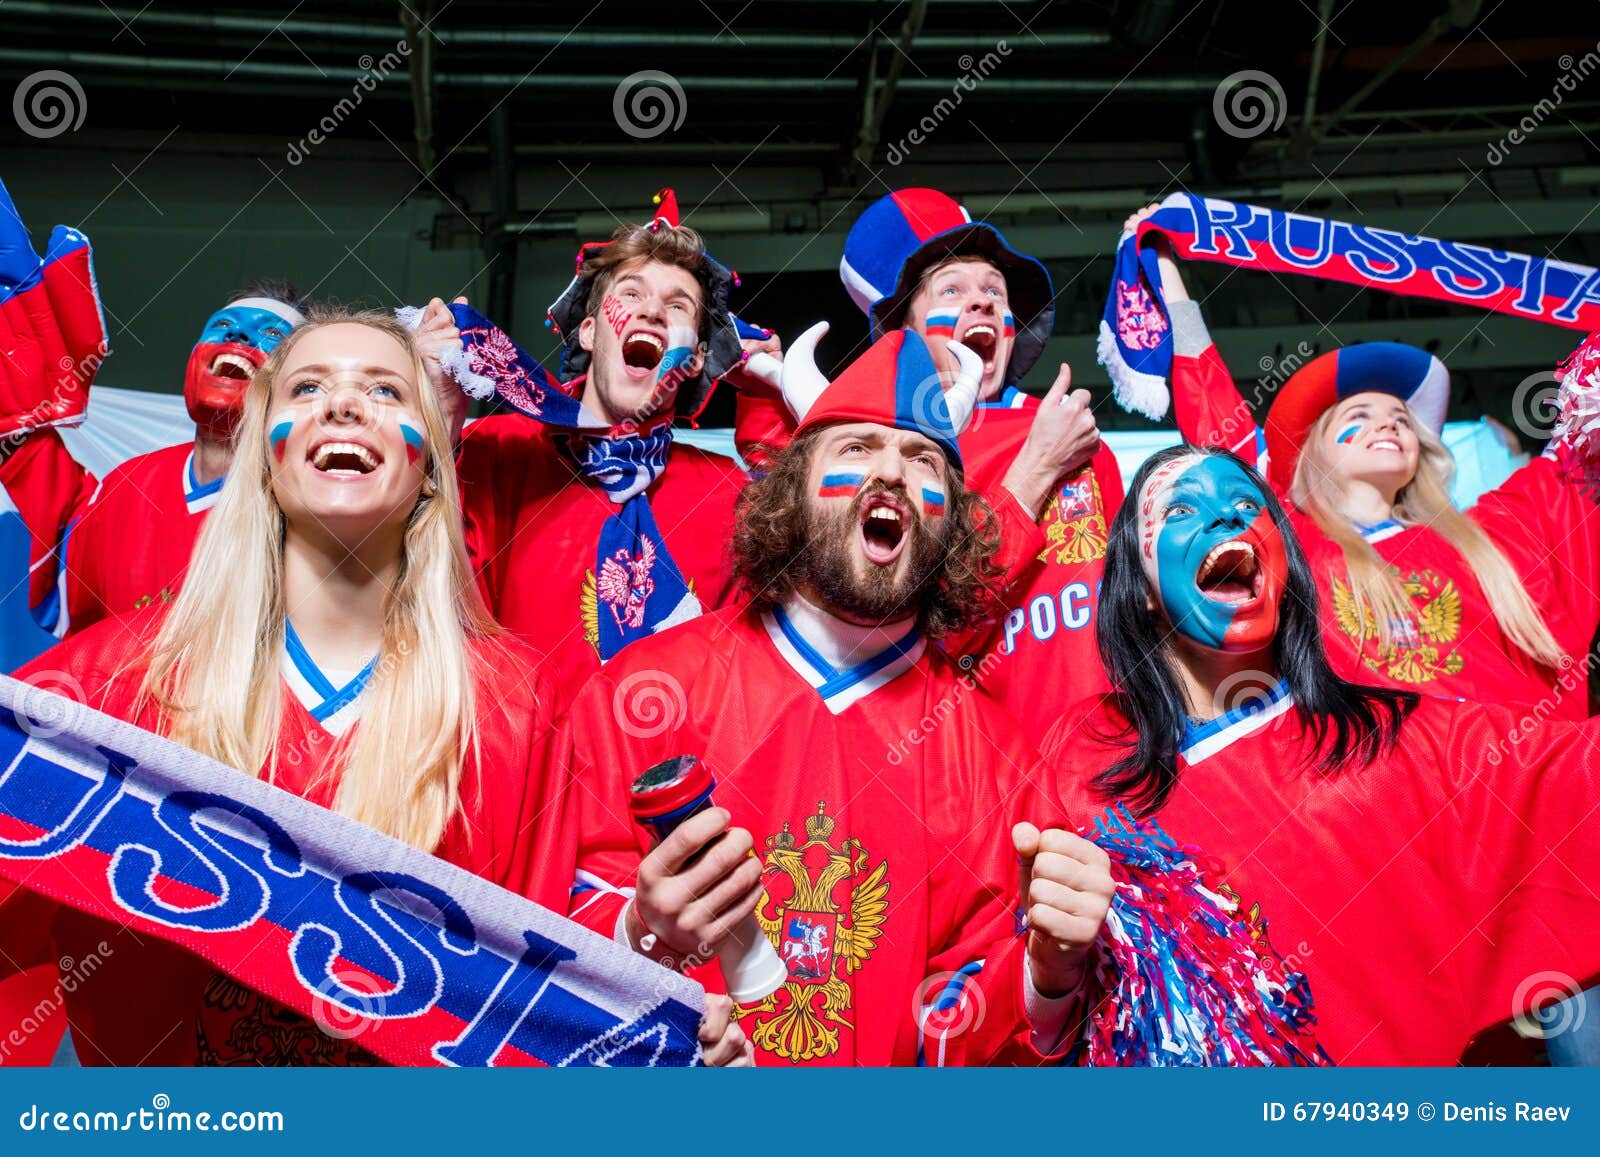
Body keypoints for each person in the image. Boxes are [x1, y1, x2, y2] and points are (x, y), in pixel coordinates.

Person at [9, 306, 748, 1066]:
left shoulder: (516, 702)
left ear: (431, 465)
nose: (343, 403)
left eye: (387, 392)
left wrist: (643, 940)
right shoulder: (119, 679)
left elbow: (553, 948)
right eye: (306, 388)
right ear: (265, 455)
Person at [561, 324, 1118, 1066]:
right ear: (789, 495)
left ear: (952, 521)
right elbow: (545, 930)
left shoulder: (1000, 766)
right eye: (856, 448)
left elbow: (982, 1040)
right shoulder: (643, 692)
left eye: (922, 461)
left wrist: (1048, 978)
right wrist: (640, 934)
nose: (890, 472)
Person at [1039, 443, 1600, 1065]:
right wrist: (1050, 972)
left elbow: (1575, 778)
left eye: (1250, 504)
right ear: (1140, 588)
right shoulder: (1082, 749)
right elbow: (1015, 1025)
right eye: (1182, 509)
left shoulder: (1400, 737)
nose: (1229, 519)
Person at [1122, 203, 1600, 720]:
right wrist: (1165, 268)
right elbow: (1216, 419)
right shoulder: (1292, 547)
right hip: (1381, 791)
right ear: (1314, 451)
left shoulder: (1495, 532)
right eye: (1360, 415)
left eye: (1400, 418)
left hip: (1528, 787)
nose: (1390, 424)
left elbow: (1577, 459)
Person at [734, 189, 1124, 745]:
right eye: (952, 290)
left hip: (1107, 752)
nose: (983, 302)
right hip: (969, 753)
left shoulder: (1078, 436)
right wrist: (1036, 468)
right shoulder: (895, 456)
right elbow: (916, 607)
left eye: (995, 291)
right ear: (907, 331)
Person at [414, 192, 753, 710]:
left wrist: (779, 417)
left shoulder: (727, 491)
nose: (653, 312)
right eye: (631, 294)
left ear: (697, 357)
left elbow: (760, 673)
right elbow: (412, 590)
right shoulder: (493, 452)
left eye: (678, 306)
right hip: (514, 775)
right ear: (591, 331)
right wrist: (430, 422)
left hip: (676, 784)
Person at [2, 274, 309, 637]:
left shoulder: (308, 504)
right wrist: (20, 398)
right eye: (222, 326)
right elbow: (62, 523)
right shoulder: (130, 482)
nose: (237, 337)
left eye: (272, 335)